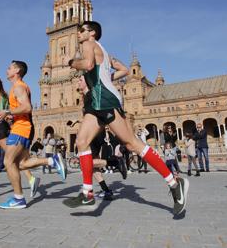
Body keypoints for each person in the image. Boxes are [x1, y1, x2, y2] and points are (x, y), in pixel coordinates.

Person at [65, 21, 188, 215]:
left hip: (103, 99)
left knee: (132, 144)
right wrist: (104, 77)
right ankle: (87, 193)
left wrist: (71, 62)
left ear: (92, 33)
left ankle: (174, 183)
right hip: (96, 100)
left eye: (82, 30)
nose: (79, 33)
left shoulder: (88, 45)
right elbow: (121, 70)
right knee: (81, 142)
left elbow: (87, 64)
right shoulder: (104, 51)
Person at [0, 61, 66, 209]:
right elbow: (23, 110)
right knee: (21, 164)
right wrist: (11, 117)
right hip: (22, 127)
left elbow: (27, 107)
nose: (7, 69)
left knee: (8, 162)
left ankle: (18, 198)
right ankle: (52, 161)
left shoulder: (19, 87)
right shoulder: (17, 87)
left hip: (21, 129)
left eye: (10, 67)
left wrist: (7, 111)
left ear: (17, 71)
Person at [0, 77, 48, 198]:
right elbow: (8, 112)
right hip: (1, 128)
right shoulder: (5, 95)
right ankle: (31, 179)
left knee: (12, 159)